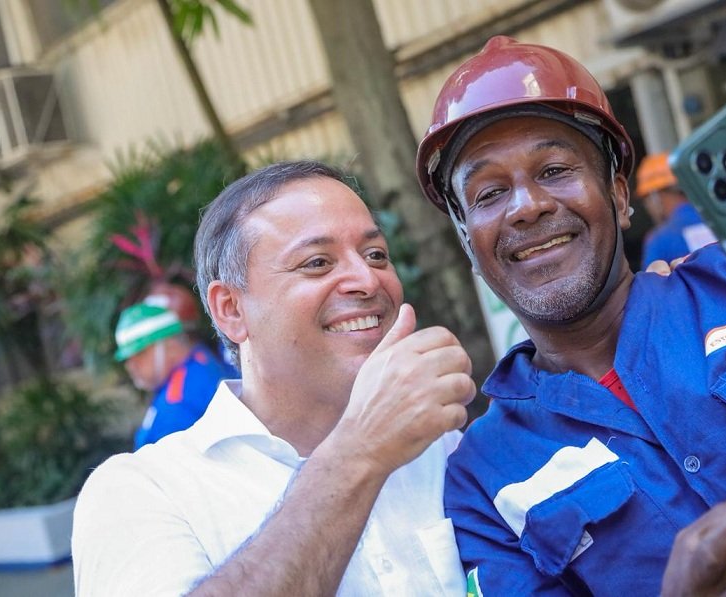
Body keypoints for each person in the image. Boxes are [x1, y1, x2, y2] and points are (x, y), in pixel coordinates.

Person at [415, 36, 726, 596]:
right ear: (469, 245)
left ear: (621, 196)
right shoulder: (482, 484)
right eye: (488, 194)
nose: (527, 206)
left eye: (553, 169)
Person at [72, 160, 474, 595]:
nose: (367, 280)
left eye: (376, 254)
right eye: (317, 262)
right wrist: (359, 452)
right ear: (231, 309)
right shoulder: (143, 491)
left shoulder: (446, 447)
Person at [113, 301, 237, 450]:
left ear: (171, 346)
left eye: (140, 353)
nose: (130, 365)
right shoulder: (199, 360)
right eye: (127, 359)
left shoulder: (178, 399)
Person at [633, 152, 715, 268]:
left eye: (646, 200)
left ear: (655, 197)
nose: (647, 207)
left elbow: (652, 279)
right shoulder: (718, 219)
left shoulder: (659, 240)